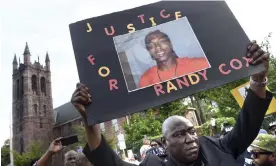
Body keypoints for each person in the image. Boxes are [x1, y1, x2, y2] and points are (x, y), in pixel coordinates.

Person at [71, 40, 272, 166]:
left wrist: (258, 79)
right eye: (179, 134)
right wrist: (91, 118)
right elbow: (109, 162)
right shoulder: (152, 163)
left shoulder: (217, 147)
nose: (190, 138)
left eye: (191, 131)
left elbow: (248, 125)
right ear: (165, 145)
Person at [139, 30, 210, 88]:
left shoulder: (200, 64)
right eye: (151, 46)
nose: (157, 47)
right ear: (149, 51)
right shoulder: (146, 79)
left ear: (170, 44)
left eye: (162, 42)